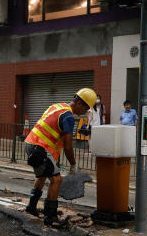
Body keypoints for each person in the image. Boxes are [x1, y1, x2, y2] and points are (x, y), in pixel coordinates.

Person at [24, 87, 96, 227]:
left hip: (31, 143)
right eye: (86, 108)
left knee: (42, 176)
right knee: (56, 179)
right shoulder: (69, 117)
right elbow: (68, 146)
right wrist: (73, 165)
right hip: (40, 147)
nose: (85, 113)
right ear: (80, 103)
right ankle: (50, 217)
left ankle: (31, 207)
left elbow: (53, 131)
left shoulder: (58, 106)